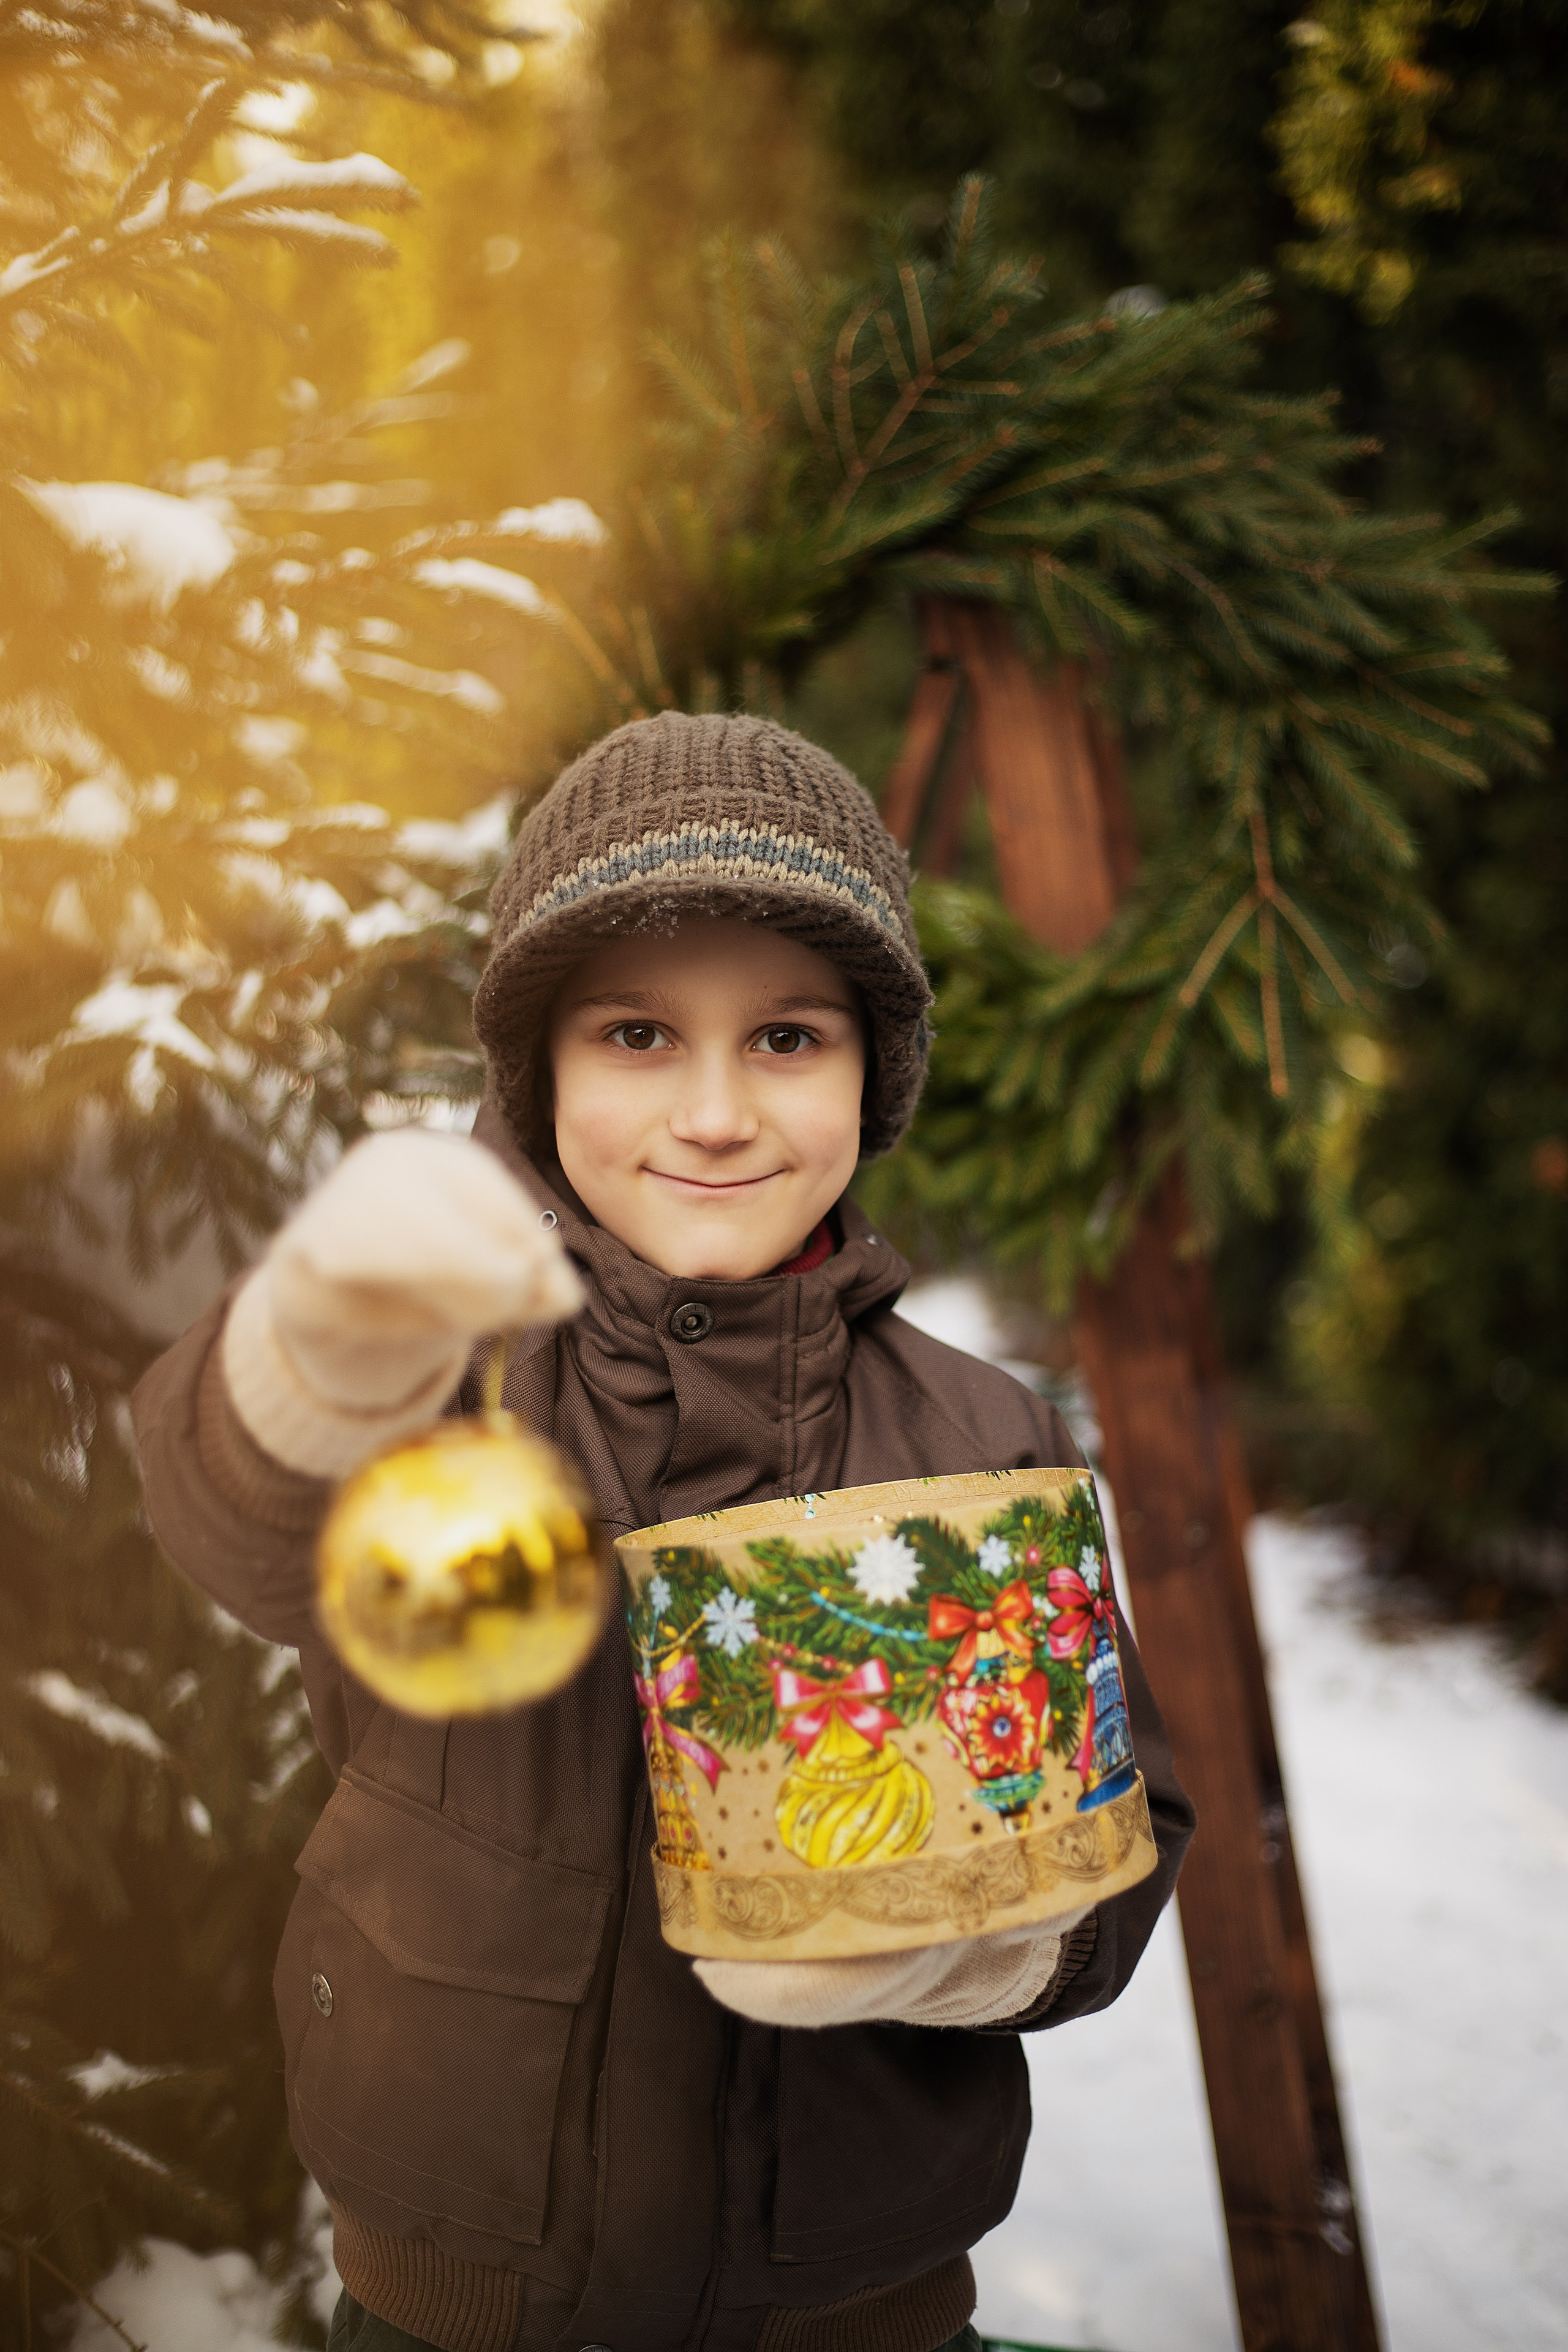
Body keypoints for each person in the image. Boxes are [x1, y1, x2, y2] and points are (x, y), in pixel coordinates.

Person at [134, 712, 1194, 2352]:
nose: (714, 1115)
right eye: (638, 1035)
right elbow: (241, 1526)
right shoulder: (442, 1386)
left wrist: (979, 1957)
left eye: (786, 1039)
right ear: (538, 1068)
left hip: (856, 2313)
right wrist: (306, 1359)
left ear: (872, 1071)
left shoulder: (980, 1443)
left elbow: (1123, 1828)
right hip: (451, 2309)